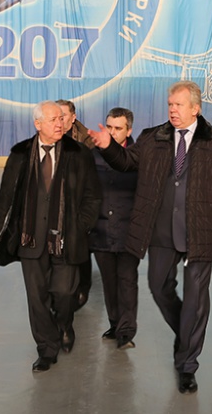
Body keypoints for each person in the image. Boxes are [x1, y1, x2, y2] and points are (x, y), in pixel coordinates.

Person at [88, 80, 212, 395]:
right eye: (170, 105)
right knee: (158, 287)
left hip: (200, 232)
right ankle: (185, 334)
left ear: (195, 108)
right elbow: (126, 163)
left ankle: (187, 365)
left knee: (196, 300)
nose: (172, 110)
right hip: (160, 231)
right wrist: (108, 146)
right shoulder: (153, 138)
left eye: (178, 105)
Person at [0, 101, 101, 372]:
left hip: (66, 238)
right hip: (30, 239)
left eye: (61, 119)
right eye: (53, 120)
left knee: (64, 292)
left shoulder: (78, 153)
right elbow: (5, 198)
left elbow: (93, 195)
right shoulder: (20, 154)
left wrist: (80, 226)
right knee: (37, 298)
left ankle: (64, 324)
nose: (59, 124)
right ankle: (47, 348)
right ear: (38, 124)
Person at [89, 107, 140, 349]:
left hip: (130, 231)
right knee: (109, 282)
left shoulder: (139, 156)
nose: (112, 132)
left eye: (118, 128)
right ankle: (115, 323)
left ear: (128, 131)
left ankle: (126, 332)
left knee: (127, 280)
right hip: (101, 230)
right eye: (109, 127)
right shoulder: (93, 155)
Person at [57, 99, 94, 308]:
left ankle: (82, 287)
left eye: (63, 116)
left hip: (80, 203)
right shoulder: (47, 136)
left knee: (81, 246)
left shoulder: (87, 141)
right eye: (56, 116)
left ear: (73, 118)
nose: (59, 121)